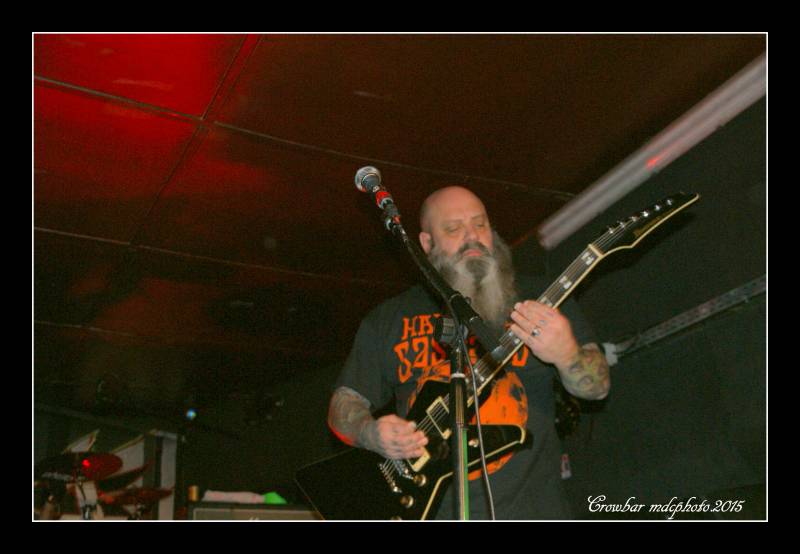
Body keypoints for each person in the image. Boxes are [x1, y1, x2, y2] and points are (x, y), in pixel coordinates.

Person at [328, 186, 610, 519]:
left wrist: (567, 354)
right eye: (453, 229)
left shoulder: (541, 300)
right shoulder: (389, 319)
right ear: (426, 243)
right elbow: (342, 406)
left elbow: (597, 388)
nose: (472, 237)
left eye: (480, 224)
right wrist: (369, 433)